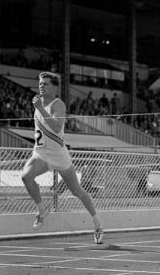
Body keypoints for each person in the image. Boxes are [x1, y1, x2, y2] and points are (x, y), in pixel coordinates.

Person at [21, 71, 104, 243]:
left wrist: (41, 109)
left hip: (59, 155)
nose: (41, 86)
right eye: (40, 83)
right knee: (25, 177)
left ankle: (97, 223)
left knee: (77, 191)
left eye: (46, 84)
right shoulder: (38, 103)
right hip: (41, 153)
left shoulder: (58, 104)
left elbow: (57, 127)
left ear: (55, 87)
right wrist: (39, 108)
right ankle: (42, 210)